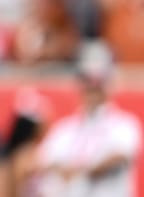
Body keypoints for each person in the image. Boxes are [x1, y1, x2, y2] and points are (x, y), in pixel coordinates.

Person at [37, 42, 142, 197]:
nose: (92, 86)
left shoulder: (125, 125)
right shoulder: (65, 128)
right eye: (87, 80)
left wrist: (77, 171)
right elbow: (41, 162)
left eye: (98, 80)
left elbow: (119, 156)